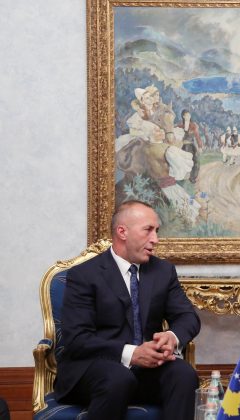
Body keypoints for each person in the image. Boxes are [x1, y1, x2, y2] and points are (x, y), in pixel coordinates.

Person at [55, 200, 201, 419]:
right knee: (118, 378)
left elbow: (187, 317)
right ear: (122, 232)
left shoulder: (163, 271)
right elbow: (77, 339)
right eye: (148, 230)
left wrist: (171, 336)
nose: (155, 239)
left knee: (183, 374)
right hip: (95, 368)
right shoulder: (84, 275)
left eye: (157, 231)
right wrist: (132, 353)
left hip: (147, 371)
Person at [176, 109, 203, 183]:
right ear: (183, 116)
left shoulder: (193, 125)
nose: (188, 116)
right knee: (180, 161)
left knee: (195, 161)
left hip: (191, 146)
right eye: (186, 115)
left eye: (189, 115)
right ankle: (181, 177)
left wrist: (200, 146)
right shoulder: (180, 125)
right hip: (182, 146)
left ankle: (193, 177)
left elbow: (197, 136)